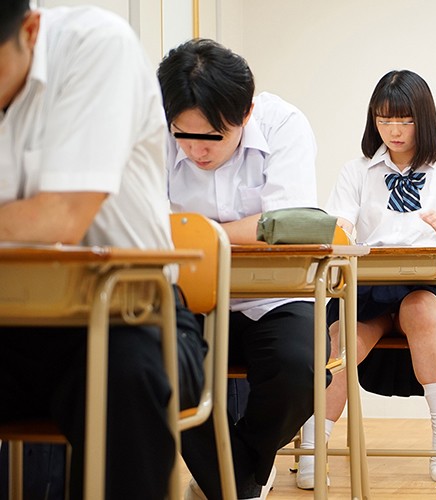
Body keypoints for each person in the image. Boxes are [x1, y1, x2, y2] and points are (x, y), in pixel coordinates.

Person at [0, 2, 206, 499]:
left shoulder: (96, 47)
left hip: (134, 317)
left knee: (122, 377)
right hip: (16, 322)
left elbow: (62, 218)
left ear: (30, 30)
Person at [157, 38, 329, 500]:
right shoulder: (155, 131)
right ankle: (243, 479)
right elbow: (142, 222)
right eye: (182, 135)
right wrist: (241, 229)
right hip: (185, 295)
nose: (195, 151)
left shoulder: (283, 124)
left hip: (274, 293)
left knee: (303, 369)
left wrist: (196, 231)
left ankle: (235, 468)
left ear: (246, 113)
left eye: (212, 136)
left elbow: (287, 225)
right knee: (153, 363)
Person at [295, 69, 436, 489]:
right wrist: (338, 229)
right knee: (339, 336)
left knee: (424, 311)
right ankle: (315, 447)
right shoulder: (357, 171)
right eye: (384, 119)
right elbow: (338, 228)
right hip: (370, 288)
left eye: (405, 120)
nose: (394, 130)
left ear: (424, 119)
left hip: (428, 286)